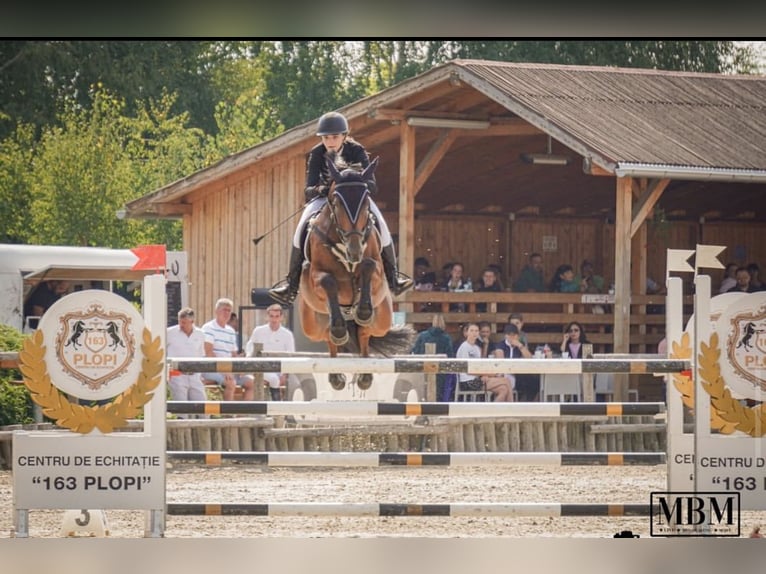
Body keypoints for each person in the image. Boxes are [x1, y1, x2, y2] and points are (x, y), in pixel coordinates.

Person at [269, 111, 412, 304]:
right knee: (301, 227)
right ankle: (291, 284)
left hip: (355, 199)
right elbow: (309, 189)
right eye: (326, 137)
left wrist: (355, 184)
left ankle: (394, 277)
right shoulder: (317, 153)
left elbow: (372, 184)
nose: (330, 141)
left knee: (380, 222)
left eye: (334, 137)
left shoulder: (357, 150)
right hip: (325, 199)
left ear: (344, 136)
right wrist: (324, 189)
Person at [201, 298, 255, 401]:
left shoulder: (230, 331)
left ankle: (242, 414)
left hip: (228, 369)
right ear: (216, 311)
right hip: (212, 368)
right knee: (231, 383)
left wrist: (240, 368)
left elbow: (233, 354)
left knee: (252, 382)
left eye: (229, 310)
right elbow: (209, 353)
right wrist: (224, 370)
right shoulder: (208, 328)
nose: (226, 313)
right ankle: (228, 414)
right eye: (224, 310)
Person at [245, 304, 296, 401]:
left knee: (296, 383)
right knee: (274, 379)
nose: (274, 319)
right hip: (261, 367)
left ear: (281, 317)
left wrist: (285, 374)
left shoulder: (287, 335)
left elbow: (291, 355)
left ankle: (288, 413)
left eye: (277, 316)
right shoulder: (258, 331)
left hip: (280, 369)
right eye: (271, 316)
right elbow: (250, 346)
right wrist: (249, 359)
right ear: (267, 317)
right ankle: (276, 409)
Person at [455, 323, 512, 402]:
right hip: (468, 381)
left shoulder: (477, 348)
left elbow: (479, 366)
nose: (474, 333)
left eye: (476, 331)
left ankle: (494, 412)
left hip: (478, 379)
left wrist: (484, 375)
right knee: (506, 381)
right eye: (471, 331)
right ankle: (511, 408)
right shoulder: (464, 347)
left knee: (503, 389)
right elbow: (467, 370)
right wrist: (489, 374)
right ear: (466, 332)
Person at [166, 307, 207, 405]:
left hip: (194, 375)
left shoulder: (200, 334)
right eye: (180, 322)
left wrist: (201, 375)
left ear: (192, 321)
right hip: (176, 374)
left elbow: (201, 355)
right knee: (181, 408)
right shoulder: (169, 332)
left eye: (184, 322)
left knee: (202, 407)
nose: (181, 325)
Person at [411, 313, 455, 401]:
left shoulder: (422, 336)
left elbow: (415, 351)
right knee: (438, 395)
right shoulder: (446, 338)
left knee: (422, 394)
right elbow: (450, 356)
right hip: (439, 371)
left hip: (423, 369)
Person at [495, 321, 539, 401]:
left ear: (517, 336)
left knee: (535, 382)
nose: (512, 337)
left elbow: (530, 358)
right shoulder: (501, 345)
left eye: (514, 335)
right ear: (506, 336)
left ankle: (527, 403)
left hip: (518, 373)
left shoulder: (520, 345)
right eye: (509, 335)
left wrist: (520, 346)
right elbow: (500, 361)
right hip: (506, 373)